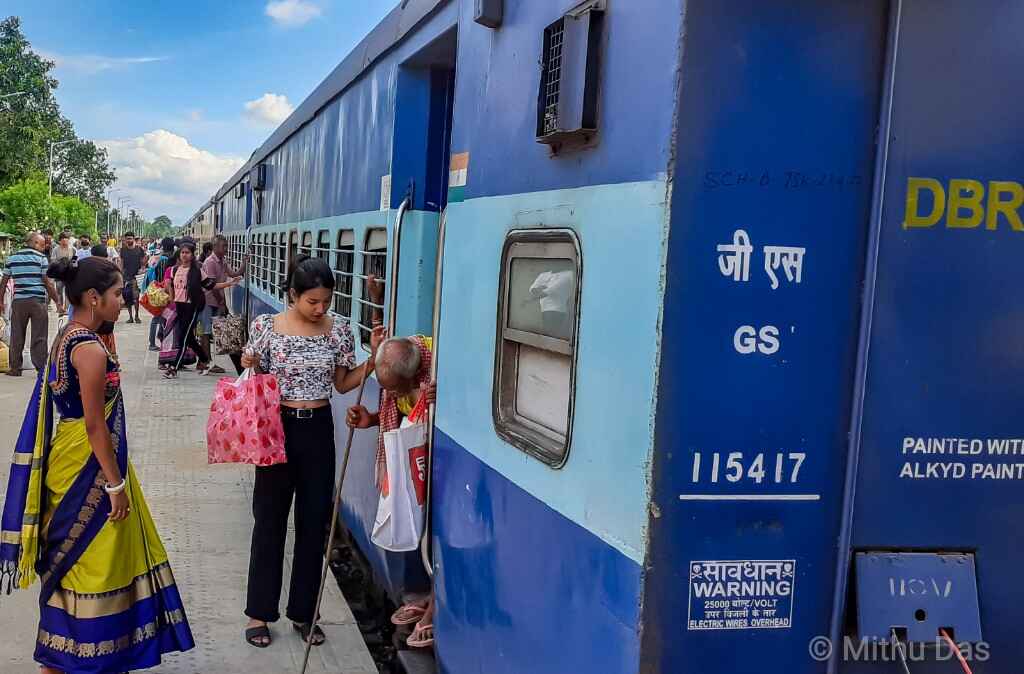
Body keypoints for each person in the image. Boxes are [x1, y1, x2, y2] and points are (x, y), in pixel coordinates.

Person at [0, 256, 195, 673]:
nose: (122, 299)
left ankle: (59, 657)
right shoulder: (88, 348)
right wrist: (115, 485)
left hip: (67, 458)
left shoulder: (68, 335)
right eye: (116, 293)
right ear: (93, 296)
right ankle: (92, 654)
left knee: (73, 562)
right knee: (96, 562)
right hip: (87, 465)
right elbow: (94, 425)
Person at [239, 255, 373, 649]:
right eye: (312, 301)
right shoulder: (267, 327)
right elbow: (252, 374)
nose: (320, 309)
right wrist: (248, 361)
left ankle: (304, 612)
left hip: (317, 430)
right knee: (269, 523)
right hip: (275, 428)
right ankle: (259, 612)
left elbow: (344, 383)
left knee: (315, 526)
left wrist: (372, 362)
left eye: (326, 302)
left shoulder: (339, 332)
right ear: (293, 295)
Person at [346, 333, 437, 649]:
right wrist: (368, 420)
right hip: (415, 465)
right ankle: (420, 591)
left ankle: (434, 602)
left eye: (395, 388)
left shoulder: (437, 368)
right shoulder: (397, 381)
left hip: (436, 464)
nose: (391, 394)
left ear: (415, 374)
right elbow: (395, 415)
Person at [163, 241, 237, 379]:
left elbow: (211, 285)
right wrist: (170, 299)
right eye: (182, 252)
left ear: (192, 255)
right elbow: (171, 287)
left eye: (187, 253)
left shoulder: (197, 272)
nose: (184, 255)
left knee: (183, 338)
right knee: (189, 338)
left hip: (192, 307)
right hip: (180, 307)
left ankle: (173, 368)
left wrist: (229, 283)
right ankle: (204, 359)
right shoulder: (174, 270)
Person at [0, 233, 64, 377]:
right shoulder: (41, 259)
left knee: (17, 335)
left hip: (19, 303)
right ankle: (41, 369)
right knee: (39, 336)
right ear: (34, 242)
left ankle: (15, 368)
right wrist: (57, 302)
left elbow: (3, 282)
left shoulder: (12, 258)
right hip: (37, 302)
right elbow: (47, 282)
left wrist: (0, 302)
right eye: (42, 244)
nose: (43, 247)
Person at [199, 234, 245, 375]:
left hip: (216, 301)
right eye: (224, 246)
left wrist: (244, 263)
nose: (227, 248)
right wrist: (221, 302)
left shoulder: (222, 261)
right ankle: (206, 363)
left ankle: (207, 362)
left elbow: (234, 273)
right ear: (215, 247)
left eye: (226, 245)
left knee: (213, 332)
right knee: (205, 333)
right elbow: (211, 286)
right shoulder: (210, 262)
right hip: (208, 301)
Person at [147, 237, 176, 351]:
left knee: (158, 318)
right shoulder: (171, 259)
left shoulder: (159, 259)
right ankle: (154, 343)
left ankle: (154, 342)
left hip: (159, 291)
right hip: (167, 292)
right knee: (161, 319)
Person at [119, 231, 146, 324]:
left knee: (136, 297)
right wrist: (120, 274)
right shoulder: (123, 250)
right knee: (127, 297)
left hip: (136, 277)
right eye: (127, 238)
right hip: (126, 276)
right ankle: (130, 317)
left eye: (130, 238)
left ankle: (137, 316)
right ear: (125, 239)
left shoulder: (139, 250)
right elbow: (121, 263)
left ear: (133, 239)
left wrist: (142, 270)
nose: (128, 240)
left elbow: (143, 263)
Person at [49, 232, 75, 307]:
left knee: (68, 291)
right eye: (62, 239)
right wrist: (60, 262)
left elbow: (75, 261)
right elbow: (52, 260)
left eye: (66, 238)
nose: (64, 240)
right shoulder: (56, 249)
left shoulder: (72, 249)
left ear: (68, 240)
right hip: (59, 274)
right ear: (60, 240)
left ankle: (66, 308)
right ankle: (59, 307)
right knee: (59, 290)